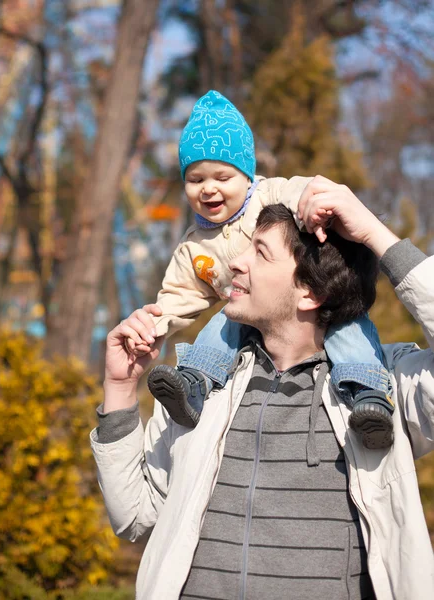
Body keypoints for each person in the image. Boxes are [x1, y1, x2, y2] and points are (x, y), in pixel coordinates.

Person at [91, 176, 434, 600]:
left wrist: (372, 231)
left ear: (310, 292)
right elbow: (134, 517)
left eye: (260, 252)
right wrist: (121, 388)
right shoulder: (200, 386)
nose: (236, 261)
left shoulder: (383, 385)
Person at [124, 89, 393, 448]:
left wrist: (312, 206)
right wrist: (155, 325)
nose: (208, 189)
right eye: (195, 179)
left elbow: (303, 190)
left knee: (350, 330)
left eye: (222, 177)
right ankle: (194, 386)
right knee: (223, 322)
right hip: (246, 317)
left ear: (247, 176)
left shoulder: (267, 197)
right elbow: (179, 295)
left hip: (309, 306)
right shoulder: (193, 245)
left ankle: (370, 399)